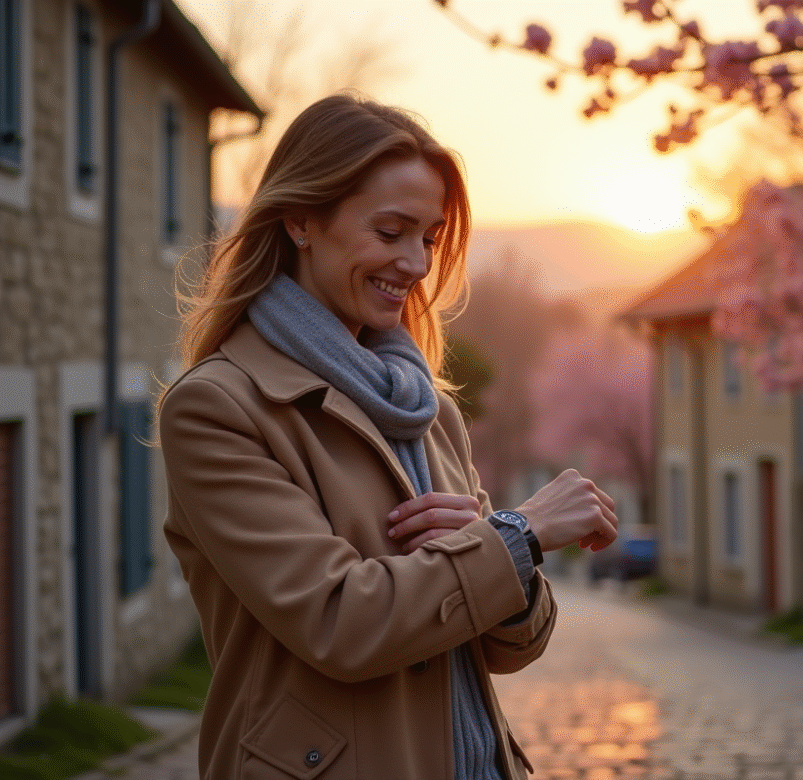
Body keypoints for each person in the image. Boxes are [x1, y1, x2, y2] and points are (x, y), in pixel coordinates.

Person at [158, 93, 619, 780]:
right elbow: (339, 622)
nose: (417, 264)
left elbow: (511, 648)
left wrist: (496, 558)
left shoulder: (428, 409)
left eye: (429, 238)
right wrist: (516, 536)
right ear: (301, 220)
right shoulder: (218, 409)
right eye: (390, 231)